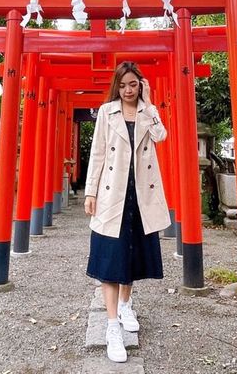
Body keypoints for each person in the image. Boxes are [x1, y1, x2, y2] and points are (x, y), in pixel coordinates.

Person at [84, 61, 170, 363]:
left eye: (133, 84)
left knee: (131, 255)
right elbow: (97, 152)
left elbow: (162, 136)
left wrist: (148, 103)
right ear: (116, 86)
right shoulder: (107, 112)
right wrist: (91, 192)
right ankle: (111, 327)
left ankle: (125, 305)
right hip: (112, 194)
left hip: (140, 195)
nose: (128, 90)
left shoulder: (148, 111)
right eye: (123, 85)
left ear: (140, 84)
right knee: (110, 259)